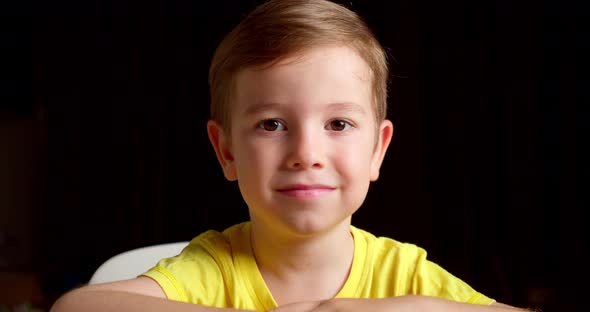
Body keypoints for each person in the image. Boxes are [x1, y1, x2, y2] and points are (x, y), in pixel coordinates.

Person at [50, 0, 532, 311]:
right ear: (226, 150)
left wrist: (417, 309)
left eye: (338, 124)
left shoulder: (402, 276)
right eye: (272, 125)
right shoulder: (212, 269)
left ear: (377, 150)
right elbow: (75, 308)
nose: (306, 153)